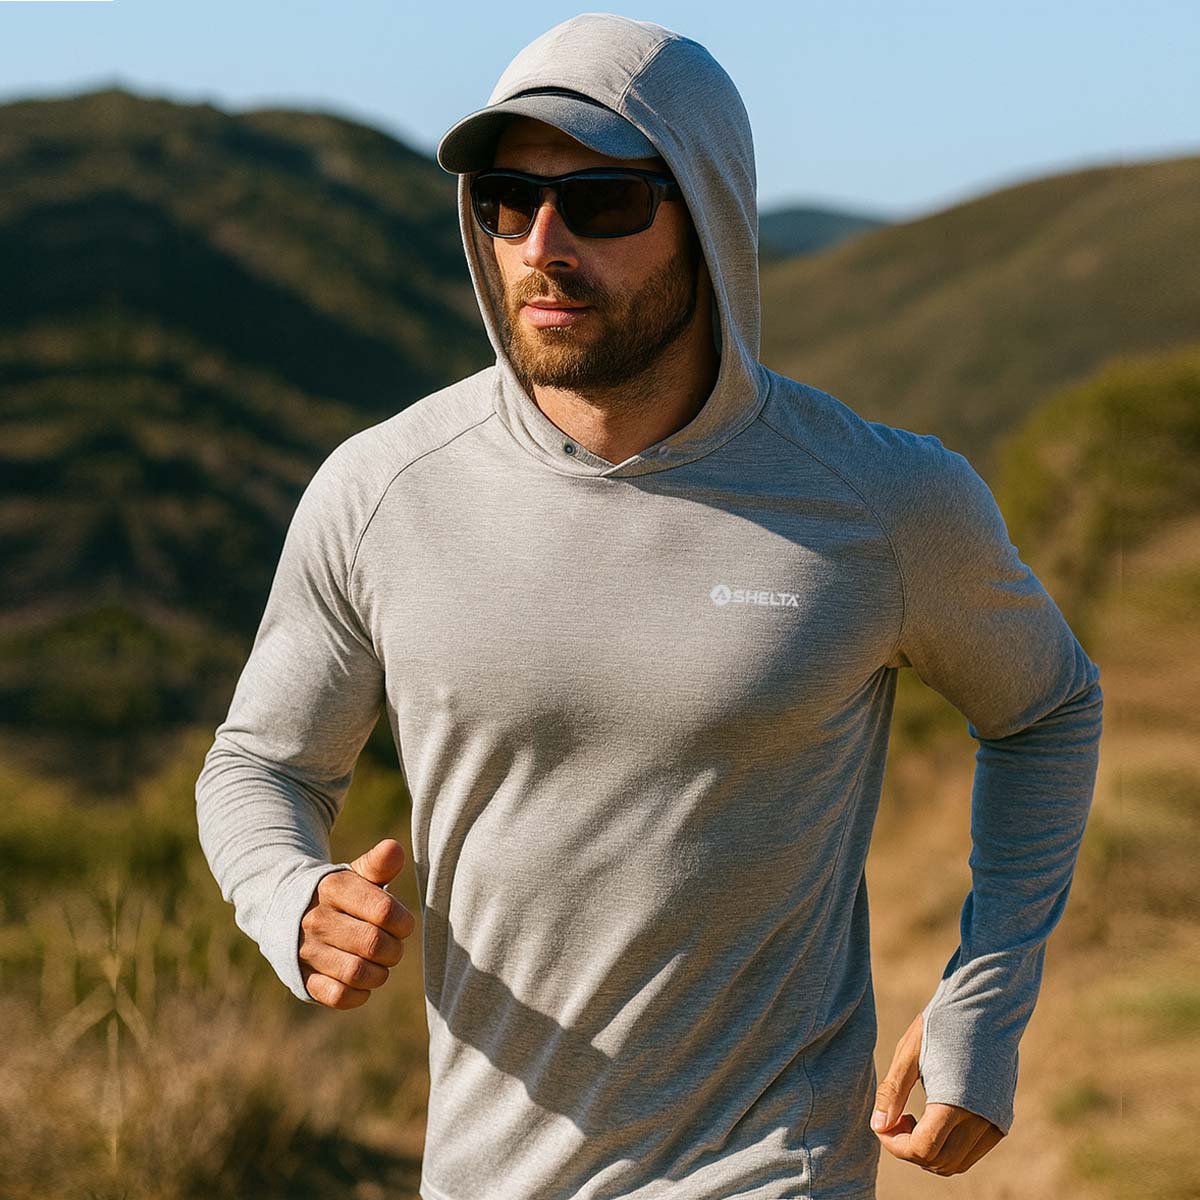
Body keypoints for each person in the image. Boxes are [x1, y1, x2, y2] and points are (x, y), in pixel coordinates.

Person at [195, 13, 1104, 1200]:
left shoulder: (884, 500)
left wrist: (982, 1004)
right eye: (505, 202)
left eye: (604, 202)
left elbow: (1046, 710)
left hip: (771, 1166)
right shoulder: (381, 493)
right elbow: (259, 764)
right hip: (487, 1172)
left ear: (711, 214)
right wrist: (291, 897)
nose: (542, 243)